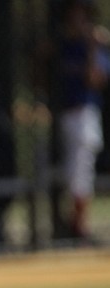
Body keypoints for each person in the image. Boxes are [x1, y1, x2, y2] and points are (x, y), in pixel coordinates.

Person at [54, 0, 110, 240]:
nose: (79, 20)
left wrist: (93, 48)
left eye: (83, 15)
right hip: (58, 114)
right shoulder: (59, 44)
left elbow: (95, 80)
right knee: (71, 172)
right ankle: (73, 225)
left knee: (81, 169)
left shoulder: (94, 48)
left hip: (84, 113)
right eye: (75, 14)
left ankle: (80, 226)